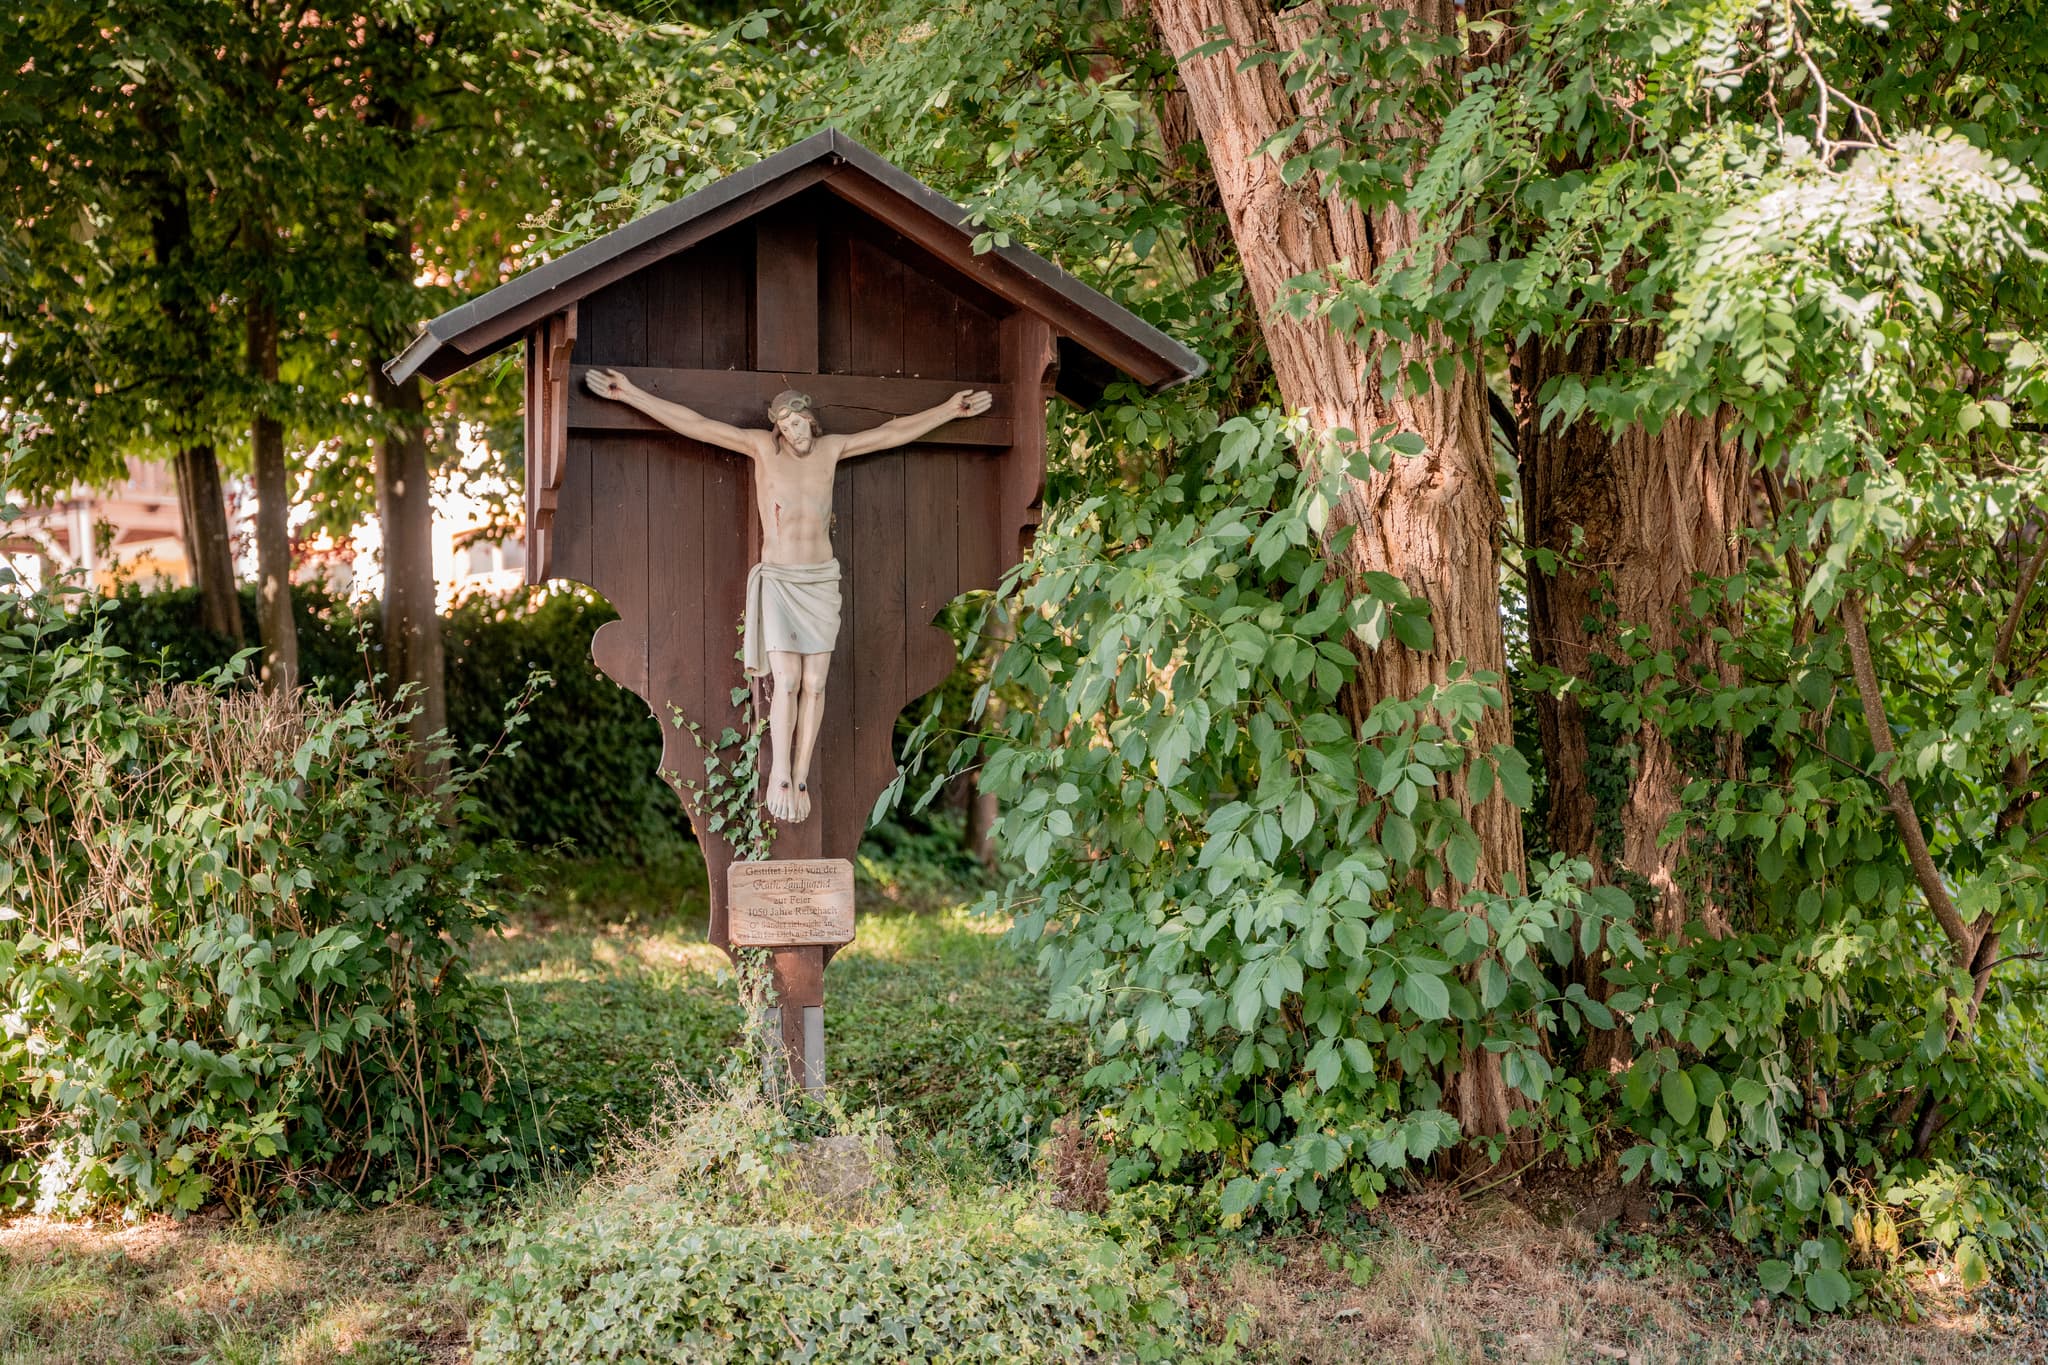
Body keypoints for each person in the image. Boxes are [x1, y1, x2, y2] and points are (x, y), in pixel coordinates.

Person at [583, 368, 992, 822]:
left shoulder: (831, 449)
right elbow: (696, 424)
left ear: (811, 421)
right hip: (779, 580)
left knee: (816, 683)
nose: (794, 432)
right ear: (777, 428)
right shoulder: (762, 448)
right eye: (786, 426)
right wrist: (630, 394)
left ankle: (800, 775)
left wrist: (949, 410)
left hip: (820, 582)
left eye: (799, 423)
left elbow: (891, 433)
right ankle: (779, 771)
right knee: (788, 680)